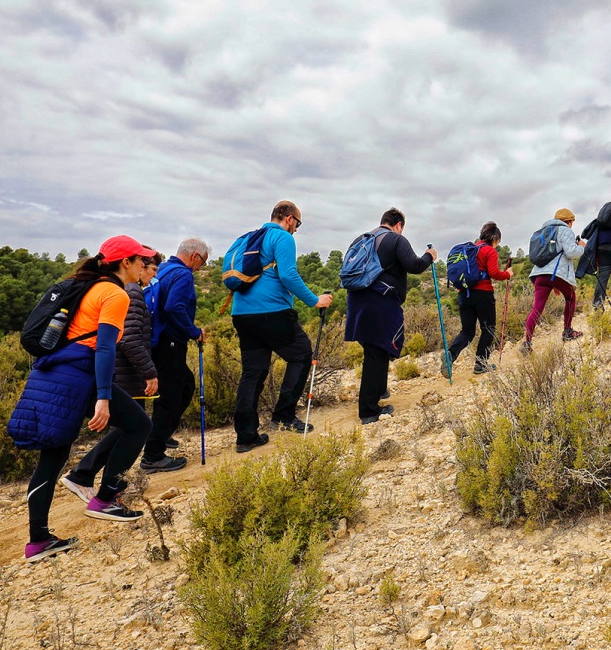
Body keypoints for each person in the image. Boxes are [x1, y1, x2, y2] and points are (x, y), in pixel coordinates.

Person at [8, 235, 156, 561]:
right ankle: (105, 499)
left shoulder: (90, 286)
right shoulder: (115, 294)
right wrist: (103, 397)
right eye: (140, 259)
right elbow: (103, 348)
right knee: (138, 425)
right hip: (79, 379)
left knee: (53, 455)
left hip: (53, 374)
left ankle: (38, 542)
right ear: (125, 263)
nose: (145, 265)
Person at [60, 249, 163, 502]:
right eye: (150, 268)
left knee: (131, 423)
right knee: (135, 424)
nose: (151, 274)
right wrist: (148, 371)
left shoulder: (118, 290)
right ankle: (101, 486)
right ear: (132, 265)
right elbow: (128, 339)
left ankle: (87, 476)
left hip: (115, 370)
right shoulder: (132, 293)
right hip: (125, 371)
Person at [231, 201, 332, 451]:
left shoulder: (246, 239)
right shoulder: (282, 238)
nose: (296, 229)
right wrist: (315, 301)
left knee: (252, 372)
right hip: (272, 311)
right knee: (301, 354)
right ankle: (283, 416)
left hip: (241, 313)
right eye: (297, 223)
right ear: (289, 219)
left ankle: (246, 436)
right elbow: (288, 275)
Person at [345, 208, 436, 424]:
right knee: (377, 352)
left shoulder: (361, 239)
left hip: (357, 301)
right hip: (380, 302)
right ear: (399, 225)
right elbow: (414, 265)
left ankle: (379, 392)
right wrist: (429, 257)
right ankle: (368, 411)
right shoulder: (395, 239)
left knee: (375, 348)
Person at [142, 238, 210, 472]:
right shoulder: (183, 274)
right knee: (171, 395)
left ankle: (161, 433)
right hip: (170, 341)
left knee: (185, 386)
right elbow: (174, 307)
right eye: (202, 262)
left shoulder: (163, 269)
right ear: (194, 256)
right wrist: (194, 332)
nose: (200, 268)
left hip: (157, 340)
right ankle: (153, 454)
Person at [443, 222, 512, 375]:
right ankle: (481, 363)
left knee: (467, 331)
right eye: (498, 241)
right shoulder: (489, 251)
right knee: (489, 328)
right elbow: (494, 273)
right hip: (483, 294)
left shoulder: (471, 249)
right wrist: (508, 274)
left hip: (464, 294)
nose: (497, 245)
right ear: (494, 238)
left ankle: (450, 354)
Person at [524, 209, 586, 351]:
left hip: (540, 275)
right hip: (556, 274)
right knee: (570, 298)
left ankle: (527, 342)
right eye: (572, 222)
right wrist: (581, 247)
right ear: (569, 221)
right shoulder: (565, 231)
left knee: (537, 308)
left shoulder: (543, 232)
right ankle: (568, 331)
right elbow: (571, 252)